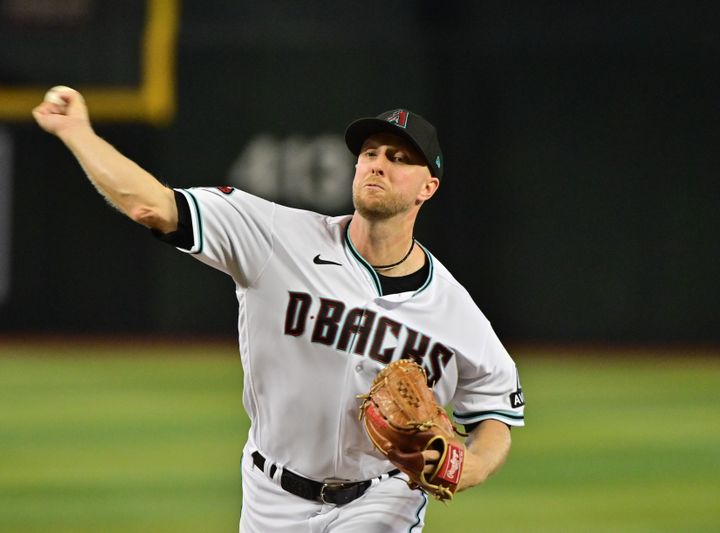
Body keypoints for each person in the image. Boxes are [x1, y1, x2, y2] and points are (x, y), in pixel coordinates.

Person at [32, 87, 525, 532]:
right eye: (369, 153)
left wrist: (470, 467)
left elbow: (497, 410)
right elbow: (151, 206)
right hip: (271, 497)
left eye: (398, 158)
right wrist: (78, 133)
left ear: (427, 188)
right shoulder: (274, 237)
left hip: (384, 499)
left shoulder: (455, 311)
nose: (377, 163)